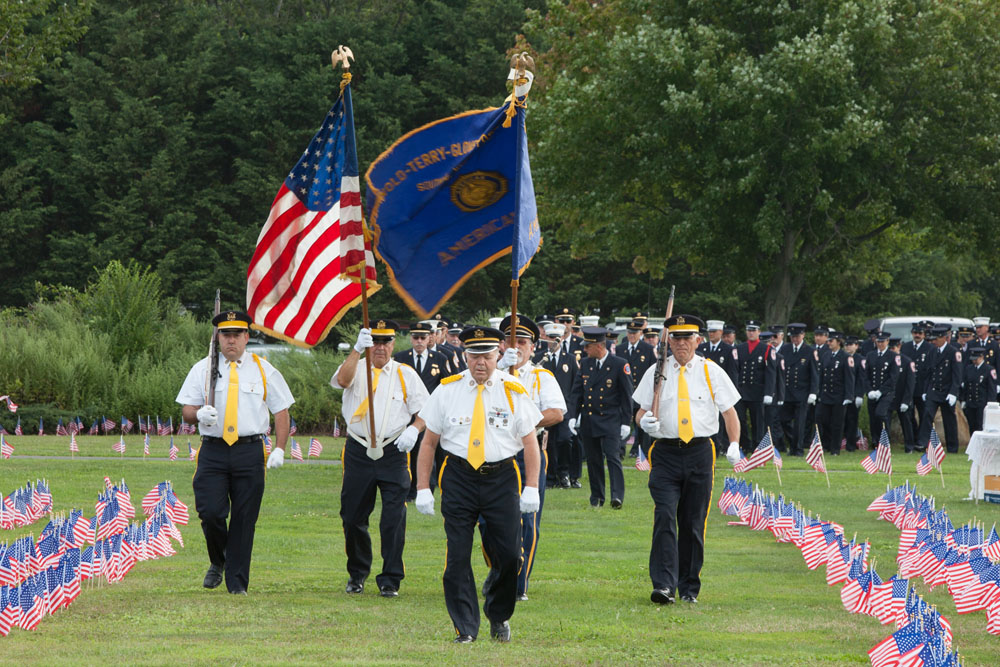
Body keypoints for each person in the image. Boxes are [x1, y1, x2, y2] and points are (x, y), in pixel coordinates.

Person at [414, 326, 542, 644]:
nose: (480, 363)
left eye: (486, 355)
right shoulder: (447, 391)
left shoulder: (513, 391)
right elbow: (428, 443)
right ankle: (465, 628)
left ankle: (498, 615)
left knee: (510, 555)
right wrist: (422, 487)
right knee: (457, 556)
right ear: (465, 356)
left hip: (501, 478)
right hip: (458, 477)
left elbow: (530, 444)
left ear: (498, 355)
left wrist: (532, 486)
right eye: (474, 356)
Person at [176, 310, 294, 595]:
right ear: (217, 338)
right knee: (211, 512)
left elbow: (281, 410)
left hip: (249, 451)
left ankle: (237, 585)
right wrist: (198, 414)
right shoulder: (203, 368)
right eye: (225, 335)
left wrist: (279, 448)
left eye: (237, 335)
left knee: (244, 518)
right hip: (214, 450)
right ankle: (219, 560)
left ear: (246, 337)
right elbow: (186, 411)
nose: (231, 341)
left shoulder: (263, 369)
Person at [633, 315, 741, 605]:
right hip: (665, 453)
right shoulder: (656, 371)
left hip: (699, 453)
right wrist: (645, 424)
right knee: (665, 516)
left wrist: (734, 444)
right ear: (669, 341)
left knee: (693, 521)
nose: (681, 344)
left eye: (687, 338)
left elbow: (729, 411)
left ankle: (689, 587)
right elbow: (641, 411)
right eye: (676, 338)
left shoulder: (710, 371)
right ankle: (664, 585)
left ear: (698, 340)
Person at [332, 320, 428, 597]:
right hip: (359, 451)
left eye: (385, 342)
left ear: (393, 344)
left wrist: (414, 429)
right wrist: (355, 351)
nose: (380, 348)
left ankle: (390, 578)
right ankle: (357, 573)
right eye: (375, 342)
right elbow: (342, 381)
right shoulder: (356, 368)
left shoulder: (404, 374)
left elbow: (425, 410)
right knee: (352, 516)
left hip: (393, 451)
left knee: (393, 518)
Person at [495, 314, 566, 600]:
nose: (517, 347)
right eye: (511, 341)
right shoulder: (489, 373)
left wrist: (525, 422)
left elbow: (556, 413)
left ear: (533, 347)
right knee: (492, 521)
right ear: (501, 345)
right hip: (493, 455)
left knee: (528, 519)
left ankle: (519, 581)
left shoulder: (540, 377)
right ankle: (500, 572)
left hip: (528, 454)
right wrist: (498, 370)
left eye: (523, 341)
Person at [567, 326, 635, 509]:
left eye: (587, 347)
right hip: (590, 419)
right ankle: (597, 497)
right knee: (593, 460)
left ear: (598, 346)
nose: (584, 350)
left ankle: (616, 496)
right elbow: (577, 393)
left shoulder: (619, 364)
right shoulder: (587, 364)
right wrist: (573, 416)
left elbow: (627, 395)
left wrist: (626, 422)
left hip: (611, 419)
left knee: (613, 458)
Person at [394, 321, 451, 501]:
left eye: (422, 337)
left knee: (428, 451)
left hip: (432, 414)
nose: (419, 341)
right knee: (407, 453)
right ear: (411, 338)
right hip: (408, 412)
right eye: (415, 337)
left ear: (430, 338)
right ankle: (407, 489)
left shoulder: (440, 359)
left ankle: (426, 488)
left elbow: (448, 385)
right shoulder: (401, 358)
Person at [541, 322, 580, 489]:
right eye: (550, 338)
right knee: (547, 442)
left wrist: (574, 410)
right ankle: (550, 477)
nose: (554, 341)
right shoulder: (539, 359)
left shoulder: (570, 359)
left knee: (564, 440)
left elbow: (576, 385)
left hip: (565, 409)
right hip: (545, 409)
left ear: (563, 338)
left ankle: (563, 473)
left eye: (557, 338)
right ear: (545, 338)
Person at [916, 324, 963, 453]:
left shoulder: (954, 352)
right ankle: (922, 443)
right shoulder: (932, 352)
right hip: (934, 390)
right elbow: (928, 373)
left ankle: (952, 446)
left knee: (949, 420)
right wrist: (926, 391)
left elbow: (957, 375)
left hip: (947, 391)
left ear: (944, 338)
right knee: (927, 415)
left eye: (937, 339)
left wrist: (953, 392)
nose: (934, 341)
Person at [733, 320, 777, 451]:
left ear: (759, 332)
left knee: (757, 422)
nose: (751, 333)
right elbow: (736, 370)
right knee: (740, 420)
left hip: (758, 391)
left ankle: (758, 449)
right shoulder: (739, 348)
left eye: (753, 331)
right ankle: (745, 445)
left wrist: (769, 393)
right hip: (742, 390)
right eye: (749, 331)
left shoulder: (767, 349)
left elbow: (771, 373)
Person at [697, 319, 739, 454]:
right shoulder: (701, 348)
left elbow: (733, 373)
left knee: (722, 419)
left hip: (720, 390)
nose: (711, 334)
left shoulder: (729, 350)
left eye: (714, 332)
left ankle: (720, 445)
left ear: (721, 332)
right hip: (703, 391)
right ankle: (711, 445)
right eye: (709, 332)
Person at [778, 323, 819, 456]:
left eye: (797, 336)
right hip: (787, 391)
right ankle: (792, 442)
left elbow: (814, 373)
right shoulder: (785, 349)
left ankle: (798, 448)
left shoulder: (809, 351)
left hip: (802, 392)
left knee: (800, 423)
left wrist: (813, 392)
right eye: (792, 337)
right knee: (783, 419)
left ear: (803, 335)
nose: (794, 339)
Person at [619, 318, 657, 457]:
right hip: (624, 393)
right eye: (630, 332)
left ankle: (642, 451)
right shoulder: (620, 349)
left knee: (641, 424)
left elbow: (653, 371)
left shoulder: (648, 349)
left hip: (641, 393)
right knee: (623, 422)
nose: (632, 335)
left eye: (635, 332)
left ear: (640, 333)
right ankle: (621, 450)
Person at [815, 331, 854, 455]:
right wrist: (819, 392)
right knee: (824, 421)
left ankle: (835, 448)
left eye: (831, 341)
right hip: (826, 394)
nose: (829, 343)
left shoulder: (846, 357)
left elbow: (849, 378)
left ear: (838, 342)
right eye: (828, 341)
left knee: (837, 423)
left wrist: (849, 395)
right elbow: (821, 375)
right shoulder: (826, 355)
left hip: (839, 395)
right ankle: (826, 444)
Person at [864, 331, 899, 443]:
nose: (880, 344)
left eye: (882, 341)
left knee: (881, 414)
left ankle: (885, 440)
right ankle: (875, 441)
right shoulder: (870, 355)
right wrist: (869, 390)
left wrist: (880, 391)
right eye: (878, 341)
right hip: (872, 391)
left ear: (887, 341)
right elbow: (866, 375)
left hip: (886, 393)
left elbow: (893, 377)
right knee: (873, 418)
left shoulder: (893, 356)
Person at [889, 338, 917, 451]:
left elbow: (910, 384)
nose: (891, 350)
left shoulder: (907, 361)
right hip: (890, 397)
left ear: (898, 347)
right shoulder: (888, 360)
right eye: (889, 348)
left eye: (893, 348)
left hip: (902, 397)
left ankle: (909, 446)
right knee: (884, 422)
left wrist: (906, 400)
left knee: (906, 422)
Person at [961, 347, 998, 433]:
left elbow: (992, 389)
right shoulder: (969, 368)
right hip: (971, 402)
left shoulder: (989, 369)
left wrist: (990, 403)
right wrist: (963, 399)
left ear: (981, 357)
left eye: (976, 359)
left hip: (982, 402)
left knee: (980, 425)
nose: (974, 361)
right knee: (971, 425)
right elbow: (966, 385)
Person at [842, 336, 867, 451]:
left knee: (852, 420)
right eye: (846, 344)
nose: (848, 346)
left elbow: (862, 378)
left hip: (854, 394)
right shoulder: (842, 357)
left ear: (856, 346)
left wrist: (859, 395)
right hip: (842, 394)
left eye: (851, 344)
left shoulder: (860, 359)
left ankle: (851, 445)